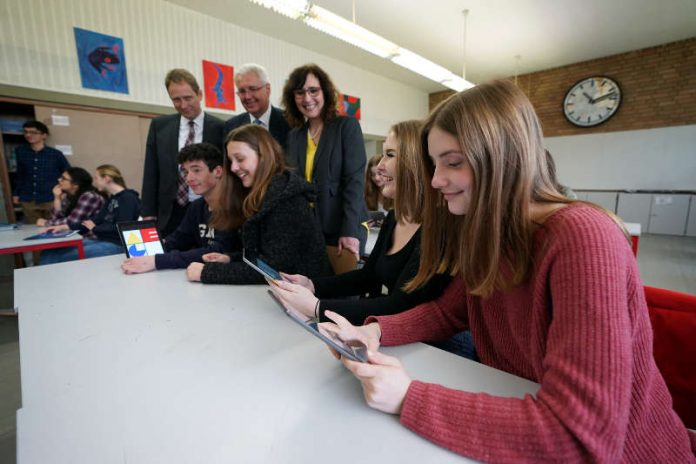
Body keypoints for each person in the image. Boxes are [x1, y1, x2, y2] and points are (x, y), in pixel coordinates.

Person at [320, 80, 696, 462]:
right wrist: (375, 330)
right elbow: (450, 310)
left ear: (503, 158)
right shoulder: (493, 235)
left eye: (453, 162)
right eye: (435, 165)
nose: (436, 181)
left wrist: (408, 397)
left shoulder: (583, 237)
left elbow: (578, 437)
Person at [270, 120, 449, 326]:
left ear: (415, 162)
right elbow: (368, 276)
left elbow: (400, 305)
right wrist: (311, 285)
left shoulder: (438, 228)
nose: (380, 166)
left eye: (390, 155)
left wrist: (317, 307)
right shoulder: (394, 217)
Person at [185, 125, 330, 284]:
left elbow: (273, 270)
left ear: (263, 156)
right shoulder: (265, 194)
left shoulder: (286, 201)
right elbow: (264, 256)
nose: (233, 168)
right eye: (231, 161)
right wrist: (230, 258)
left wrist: (207, 272)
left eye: (240, 159)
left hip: (310, 300)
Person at [282, 64, 368, 274]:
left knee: (341, 299)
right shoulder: (294, 136)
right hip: (308, 231)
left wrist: (350, 231)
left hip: (342, 229)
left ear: (326, 93)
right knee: (311, 291)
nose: (307, 98)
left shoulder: (346, 127)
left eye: (313, 90)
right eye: (300, 93)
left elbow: (354, 182)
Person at [122, 143, 240, 274]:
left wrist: (156, 261)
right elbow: (178, 239)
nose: (189, 178)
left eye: (196, 170)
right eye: (185, 171)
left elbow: (216, 252)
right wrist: (147, 253)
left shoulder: (235, 205)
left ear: (218, 171)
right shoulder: (197, 207)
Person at [141, 68, 224, 237]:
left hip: (208, 210)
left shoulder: (221, 128)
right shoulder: (159, 126)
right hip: (170, 212)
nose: (184, 105)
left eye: (188, 98)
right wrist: (148, 212)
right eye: (176, 100)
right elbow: (151, 171)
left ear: (199, 94)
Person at [41, 164, 140, 264]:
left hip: (118, 245)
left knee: (58, 257)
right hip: (103, 240)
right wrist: (65, 227)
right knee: (50, 251)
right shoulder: (113, 198)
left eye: (96, 178)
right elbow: (96, 220)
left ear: (107, 179)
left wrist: (94, 228)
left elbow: (122, 227)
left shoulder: (128, 198)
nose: (95, 182)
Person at [12, 120, 70, 225]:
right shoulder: (20, 151)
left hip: (50, 198)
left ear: (44, 135)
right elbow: (20, 174)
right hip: (28, 198)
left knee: (54, 226)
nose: (28, 135)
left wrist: (65, 192)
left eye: (33, 132)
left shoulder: (55, 154)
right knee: (33, 228)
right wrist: (16, 193)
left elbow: (67, 174)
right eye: (26, 132)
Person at [223, 63, 290, 149]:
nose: (247, 96)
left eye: (253, 89)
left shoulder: (289, 121)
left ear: (267, 89)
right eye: (242, 91)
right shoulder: (231, 126)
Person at [36, 167, 104, 228]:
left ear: (75, 184)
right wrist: (57, 199)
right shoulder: (68, 195)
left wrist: (46, 223)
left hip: (91, 237)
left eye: (63, 178)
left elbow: (73, 222)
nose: (59, 180)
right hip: (73, 235)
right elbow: (56, 219)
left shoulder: (89, 197)